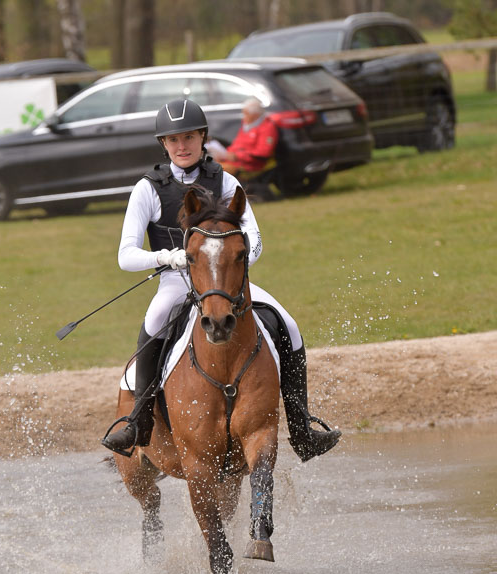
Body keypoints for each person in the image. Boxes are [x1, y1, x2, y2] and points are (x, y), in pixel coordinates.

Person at [101, 98, 340, 461]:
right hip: (176, 281)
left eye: (189, 138)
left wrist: (236, 263)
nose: (182, 146)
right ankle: (138, 421)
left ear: (202, 138)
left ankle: (302, 426)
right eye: (173, 140)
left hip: (226, 283)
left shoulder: (225, 181)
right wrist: (168, 257)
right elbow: (125, 256)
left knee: (287, 324)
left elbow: (253, 237)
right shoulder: (148, 189)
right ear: (163, 144)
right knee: (153, 324)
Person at [208, 97, 279, 176]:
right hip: (232, 161)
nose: (243, 116)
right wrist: (227, 153)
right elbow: (237, 144)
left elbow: (262, 153)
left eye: (246, 114)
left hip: (247, 166)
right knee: (206, 165)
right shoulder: (248, 124)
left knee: (211, 171)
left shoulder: (267, 127)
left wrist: (237, 156)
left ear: (255, 115)